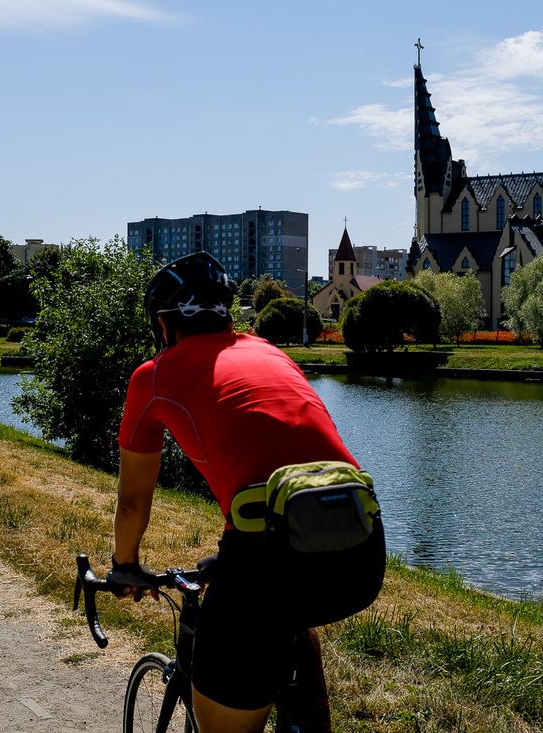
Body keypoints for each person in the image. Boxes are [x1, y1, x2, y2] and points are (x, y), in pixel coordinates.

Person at [110, 252, 362, 733]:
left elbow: (133, 501)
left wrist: (125, 565)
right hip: (359, 548)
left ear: (163, 326)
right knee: (288, 609)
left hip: (265, 561)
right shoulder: (269, 352)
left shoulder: (154, 375)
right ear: (227, 315)